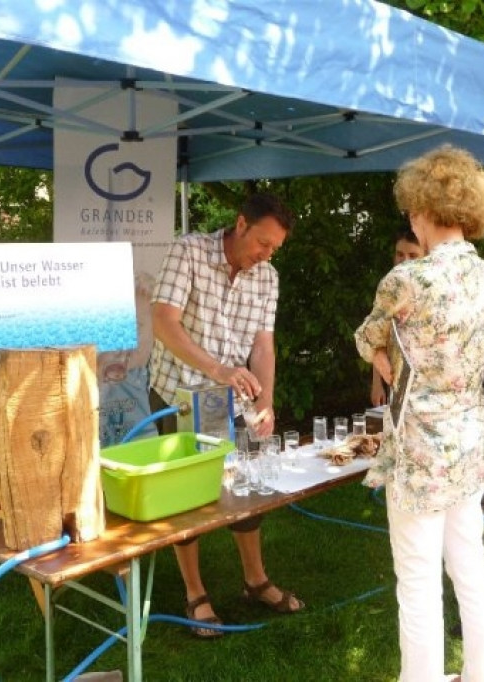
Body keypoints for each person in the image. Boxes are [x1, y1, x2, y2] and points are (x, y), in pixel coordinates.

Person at [355, 145, 484, 681]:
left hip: (420, 446)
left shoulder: (407, 281)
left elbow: (367, 334)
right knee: (470, 564)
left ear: (421, 209)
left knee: (417, 578)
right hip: (468, 437)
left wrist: (376, 352)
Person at [148, 192, 303, 638]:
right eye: (263, 243)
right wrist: (217, 368)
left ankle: (256, 581)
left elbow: (263, 346)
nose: (266, 254)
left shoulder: (267, 277)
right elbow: (163, 321)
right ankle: (196, 594)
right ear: (240, 224)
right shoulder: (189, 251)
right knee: (185, 497)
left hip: (232, 398)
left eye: (275, 248)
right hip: (178, 390)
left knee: (246, 490)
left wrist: (265, 402)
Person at [370, 227, 424, 406]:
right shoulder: (389, 288)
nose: (404, 260)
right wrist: (377, 384)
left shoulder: (434, 288)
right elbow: (378, 336)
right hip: (396, 378)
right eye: (400, 254)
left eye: (412, 255)